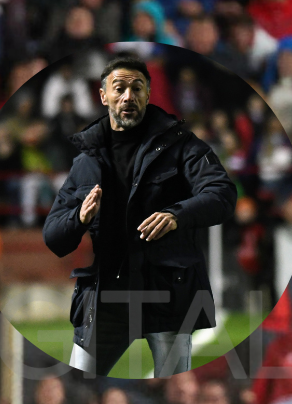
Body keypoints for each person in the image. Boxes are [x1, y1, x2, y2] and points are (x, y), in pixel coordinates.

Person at [43, 55, 237, 377]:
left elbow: (222, 193)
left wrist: (177, 214)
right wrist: (79, 217)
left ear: (148, 94)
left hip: (167, 294)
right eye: (119, 88)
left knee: (174, 394)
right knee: (78, 388)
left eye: (137, 88)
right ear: (104, 96)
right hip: (106, 296)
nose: (128, 96)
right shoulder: (86, 160)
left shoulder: (182, 146)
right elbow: (53, 236)